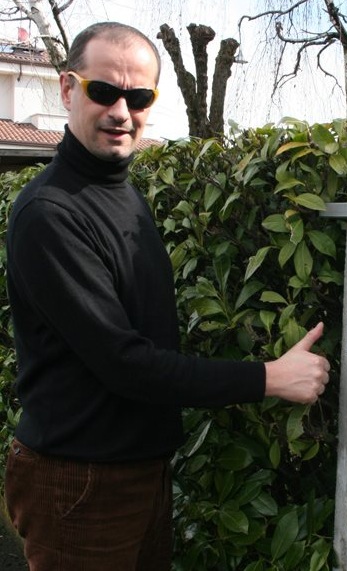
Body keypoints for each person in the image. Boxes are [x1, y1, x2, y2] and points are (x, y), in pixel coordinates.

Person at [4, 21, 330, 571]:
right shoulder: (49, 214)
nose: (121, 112)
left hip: (137, 470)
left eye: (139, 97)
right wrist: (268, 377)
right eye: (103, 91)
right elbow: (125, 363)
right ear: (67, 89)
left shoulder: (122, 194)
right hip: (79, 482)